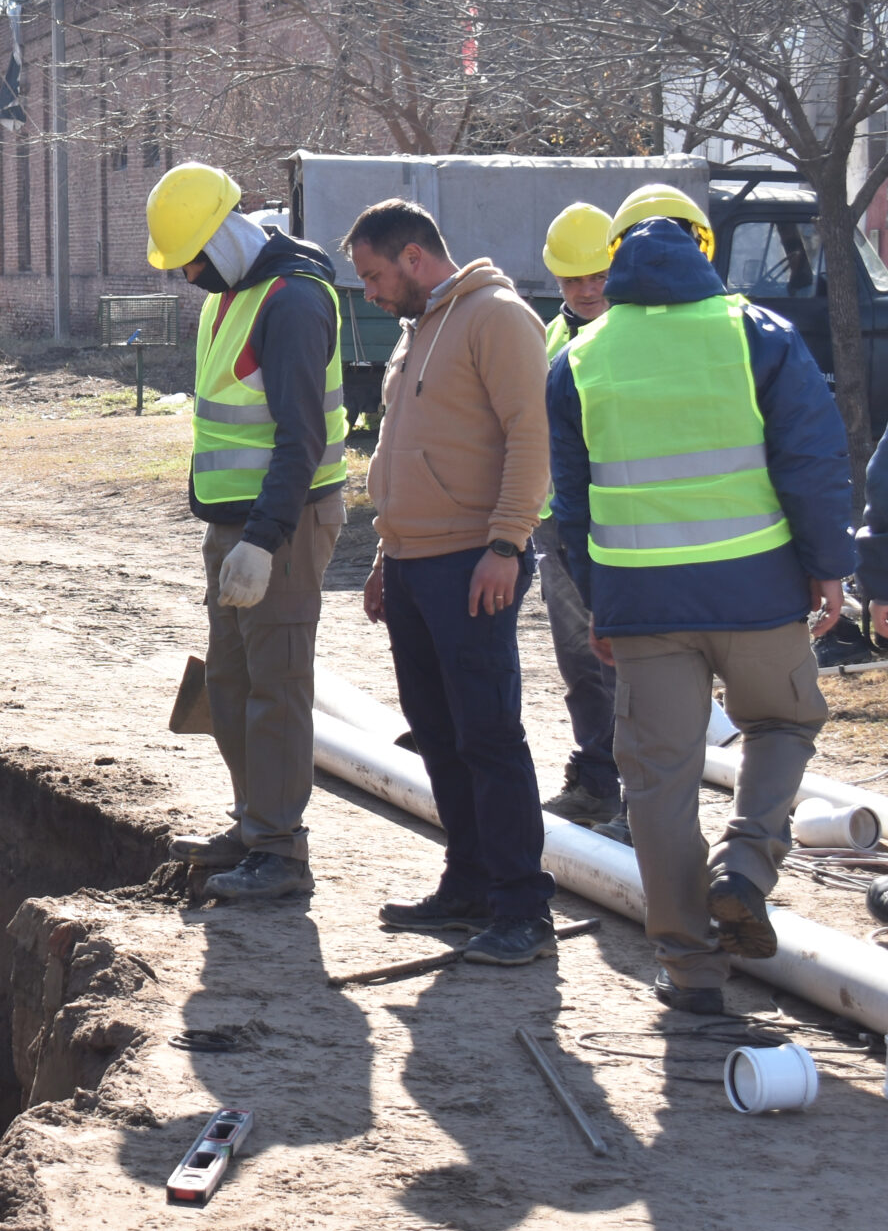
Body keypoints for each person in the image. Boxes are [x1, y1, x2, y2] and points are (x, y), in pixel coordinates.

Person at [550, 186, 852, 1014]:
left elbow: (570, 509)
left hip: (644, 607)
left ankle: (690, 970)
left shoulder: (579, 358)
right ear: (707, 248)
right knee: (785, 723)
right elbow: (814, 460)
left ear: (613, 260)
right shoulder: (759, 336)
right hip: (758, 594)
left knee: (658, 783)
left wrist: (600, 605)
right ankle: (745, 868)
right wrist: (830, 568)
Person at [349, 199, 557, 965]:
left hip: (473, 562)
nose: (366, 290)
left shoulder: (496, 317)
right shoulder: (419, 332)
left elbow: (530, 436)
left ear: (412, 257)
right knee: (437, 731)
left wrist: (506, 542)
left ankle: (522, 907)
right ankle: (468, 881)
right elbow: (404, 450)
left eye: (372, 273)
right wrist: (385, 552)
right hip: (413, 563)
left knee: (488, 734)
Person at [147, 162, 348, 903]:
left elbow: (299, 438)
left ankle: (280, 850)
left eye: (193, 257)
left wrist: (263, 539)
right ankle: (255, 823)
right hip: (237, 524)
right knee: (230, 682)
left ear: (227, 232)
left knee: (278, 685)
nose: (190, 274)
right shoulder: (233, 297)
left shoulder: (292, 301)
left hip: (282, 526)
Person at [534, 202, 622, 829]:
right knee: (578, 658)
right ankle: (596, 778)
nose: (587, 290)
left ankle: (636, 790)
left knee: (627, 658)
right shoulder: (553, 336)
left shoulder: (637, 333)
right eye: (574, 280)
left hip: (619, 520)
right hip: (560, 523)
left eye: (597, 276)